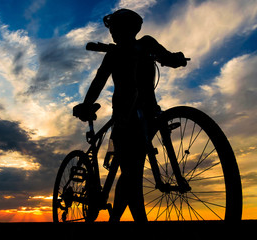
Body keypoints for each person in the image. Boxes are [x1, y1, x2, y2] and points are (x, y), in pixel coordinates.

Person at [73, 9, 188, 222]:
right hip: (124, 116)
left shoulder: (146, 43)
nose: (112, 33)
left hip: (147, 111)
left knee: (131, 173)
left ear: (129, 28)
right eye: (112, 29)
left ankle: (116, 219)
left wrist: (176, 59)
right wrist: (87, 105)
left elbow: (166, 56)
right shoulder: (113, 53)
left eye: (115, 28)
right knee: (130, 173)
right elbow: (98, 81)